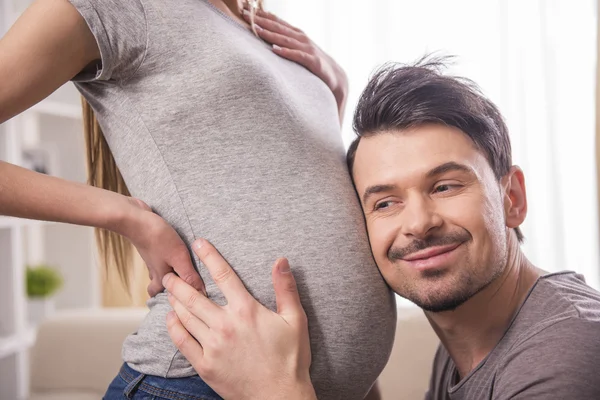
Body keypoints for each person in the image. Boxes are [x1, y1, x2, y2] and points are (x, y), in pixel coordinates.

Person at [0, 0, 396, 398]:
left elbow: (280, 166)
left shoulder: (255, 22)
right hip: (193, 386)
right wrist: (124, 215)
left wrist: (336, 90)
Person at [163, 58, 600, 399]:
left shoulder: (566, 355)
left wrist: (275, 392)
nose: (418, 224)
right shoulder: (468, 342)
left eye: (445, 186)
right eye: (385, 202)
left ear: (512, 199)